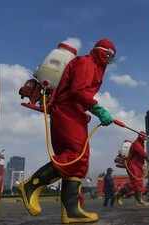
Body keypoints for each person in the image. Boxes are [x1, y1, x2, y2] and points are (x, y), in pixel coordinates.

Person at [17, 38, 116, 223]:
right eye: (109, 55)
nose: (109, 60)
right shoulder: (87, 63)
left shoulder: (94, 66)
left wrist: (86, 111)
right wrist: (97, 109)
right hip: (67, 112)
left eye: (112, 58)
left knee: (78, 162)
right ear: (101, 52)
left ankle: (71, 211)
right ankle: (31, 185)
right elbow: (78, 90)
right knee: (75, 156)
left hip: (72, 113)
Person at [116, 132, 149, 206]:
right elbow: (142, 153)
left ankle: (137, 200)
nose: (146, 139)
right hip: (133, 166)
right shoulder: (136, 144)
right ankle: (120, 195)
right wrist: (147, 158)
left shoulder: (141, 143)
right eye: (145, 138)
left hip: (138, 166)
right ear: (142, 137)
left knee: (137, 184)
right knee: (136, 183)